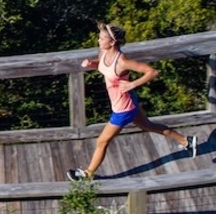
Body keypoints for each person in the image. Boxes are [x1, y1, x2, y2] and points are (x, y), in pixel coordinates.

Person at [67, 22, 197, 181]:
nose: (98, 40)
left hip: (123, 109)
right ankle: (186, 141)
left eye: (102, 38)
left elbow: (152, 72)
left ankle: (87, 174)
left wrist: (132, 84)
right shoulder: (103, 52)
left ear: (113, 42)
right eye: (99, 37)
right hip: (126, 102)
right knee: (148, 126)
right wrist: (91, 64)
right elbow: (102, 66)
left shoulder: (122, 61)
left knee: (102, 141)